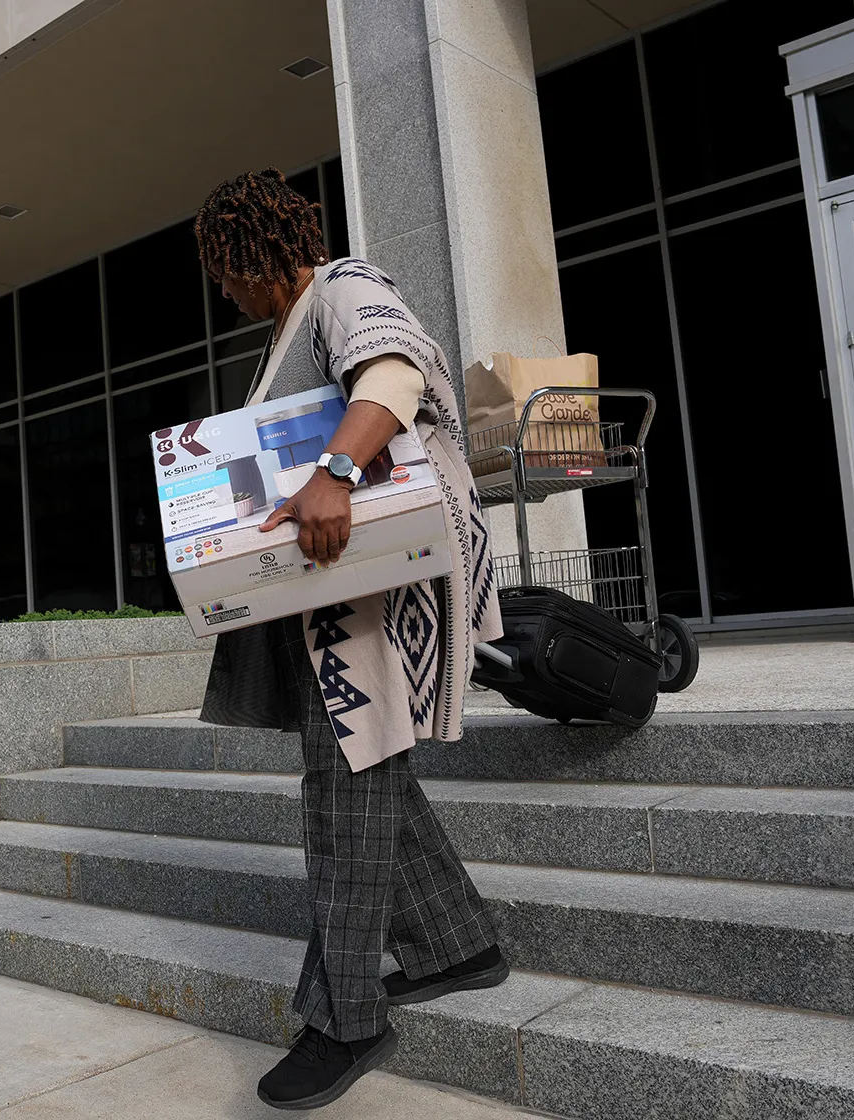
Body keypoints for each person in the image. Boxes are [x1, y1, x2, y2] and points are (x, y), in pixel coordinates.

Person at [192, 168, 507, 1111]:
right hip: (339, 592)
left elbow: (394, 374)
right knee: (367, 770)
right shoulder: (296, 322)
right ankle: (461, 946)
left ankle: (346, 1019)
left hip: (368, 589)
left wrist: (334, 471)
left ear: (252, 256)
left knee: (344, 790)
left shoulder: (344, 287)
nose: (227, 294)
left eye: (226, 273)